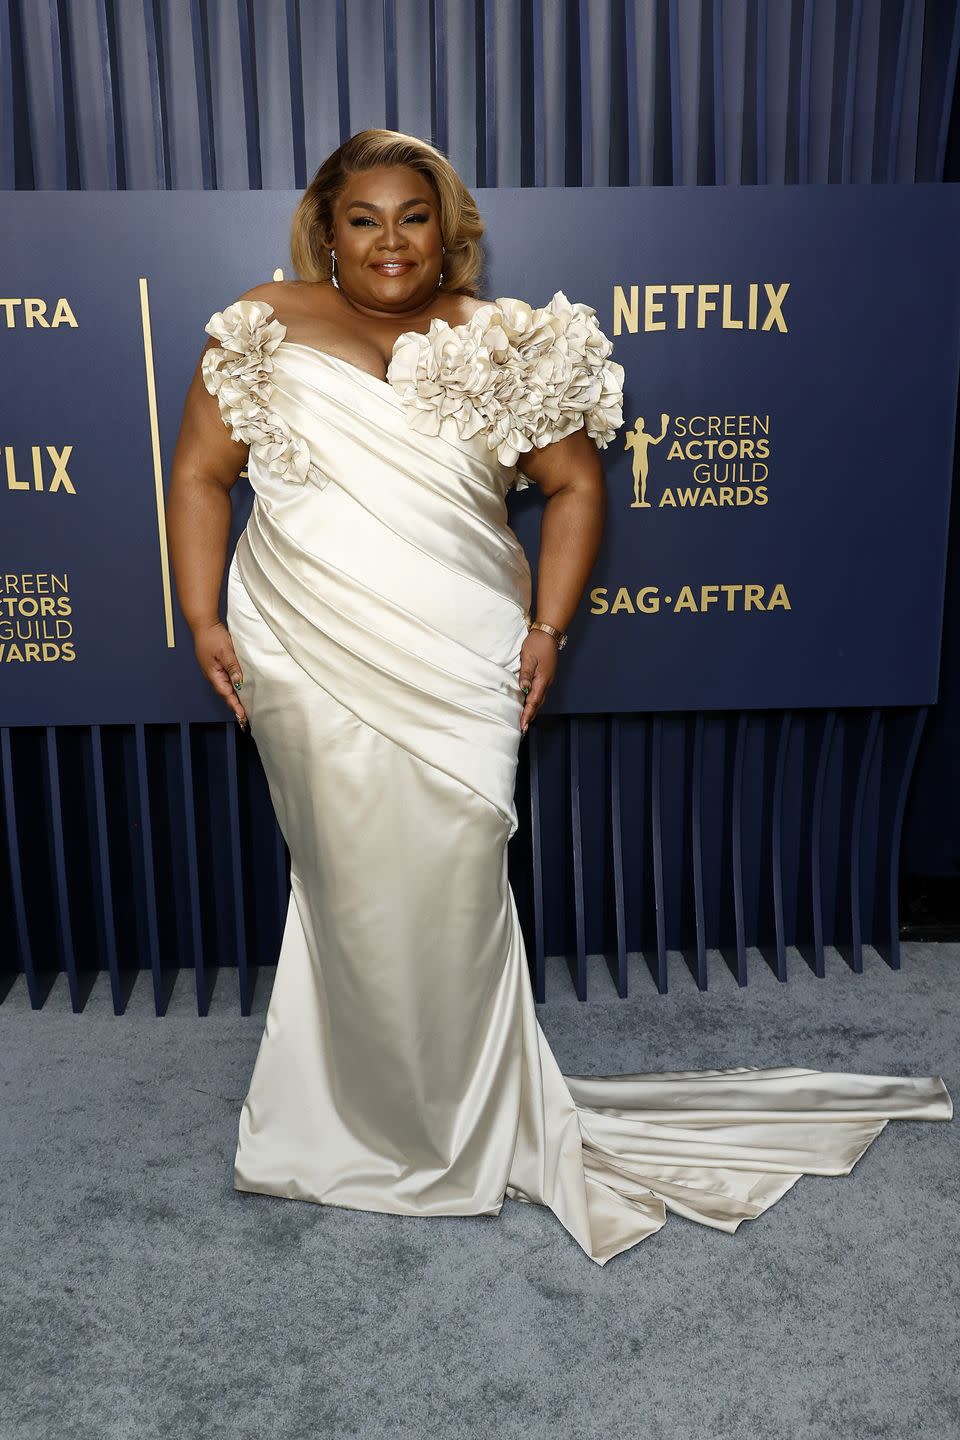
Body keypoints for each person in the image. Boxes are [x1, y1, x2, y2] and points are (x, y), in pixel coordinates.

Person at [167, 129, 952, 1267]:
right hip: (305, 645)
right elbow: (199, 471)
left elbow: (577, 485)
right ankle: (343, 1120)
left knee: (451, 877)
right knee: (343, 881)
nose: (391, 240)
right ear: (325, 229)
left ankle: (466, 1120)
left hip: (459, 651)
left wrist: (545, 631)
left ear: (448, 227)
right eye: (363, 218)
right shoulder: (261, 321)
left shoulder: (509, 338)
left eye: (414, 216)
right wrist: (202, 618)